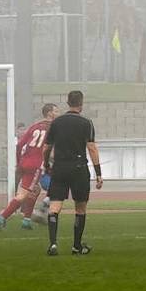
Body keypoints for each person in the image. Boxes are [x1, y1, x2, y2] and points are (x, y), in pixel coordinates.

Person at [42, 91, 102, 256]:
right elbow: (92, 148)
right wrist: (98, 173)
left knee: (55, 206)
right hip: (79, 168)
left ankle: (53, 244)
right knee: (80, 208)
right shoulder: (86, 123)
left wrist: (46, 163)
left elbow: (47, 147)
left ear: (67, 102)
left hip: (60, 168)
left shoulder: (56, 122)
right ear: (81, 103)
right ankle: (76, 246)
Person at [0, 103, 58, 230]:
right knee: (22, 195)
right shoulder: (53, 128)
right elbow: (48, 148)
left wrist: (19, 163)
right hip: (36, 165)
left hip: (24, 162)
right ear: (50, 113)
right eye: (56, 111)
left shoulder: (34, 126)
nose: (58, 113)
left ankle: (27, 220)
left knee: (35, 189)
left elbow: (20, 144)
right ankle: (2, 217)